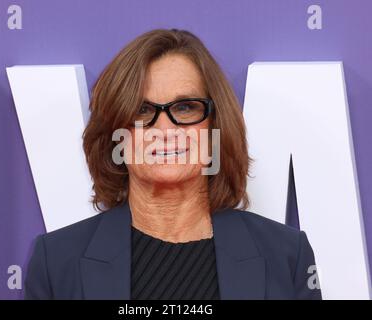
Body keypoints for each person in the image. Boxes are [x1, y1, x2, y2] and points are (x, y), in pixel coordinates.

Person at [24, 28, 322, 300]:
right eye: (141, 110)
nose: (165, 131)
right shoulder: (56, 262)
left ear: (215, 127)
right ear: (116, 136)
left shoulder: (286, 256)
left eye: (185, 107)